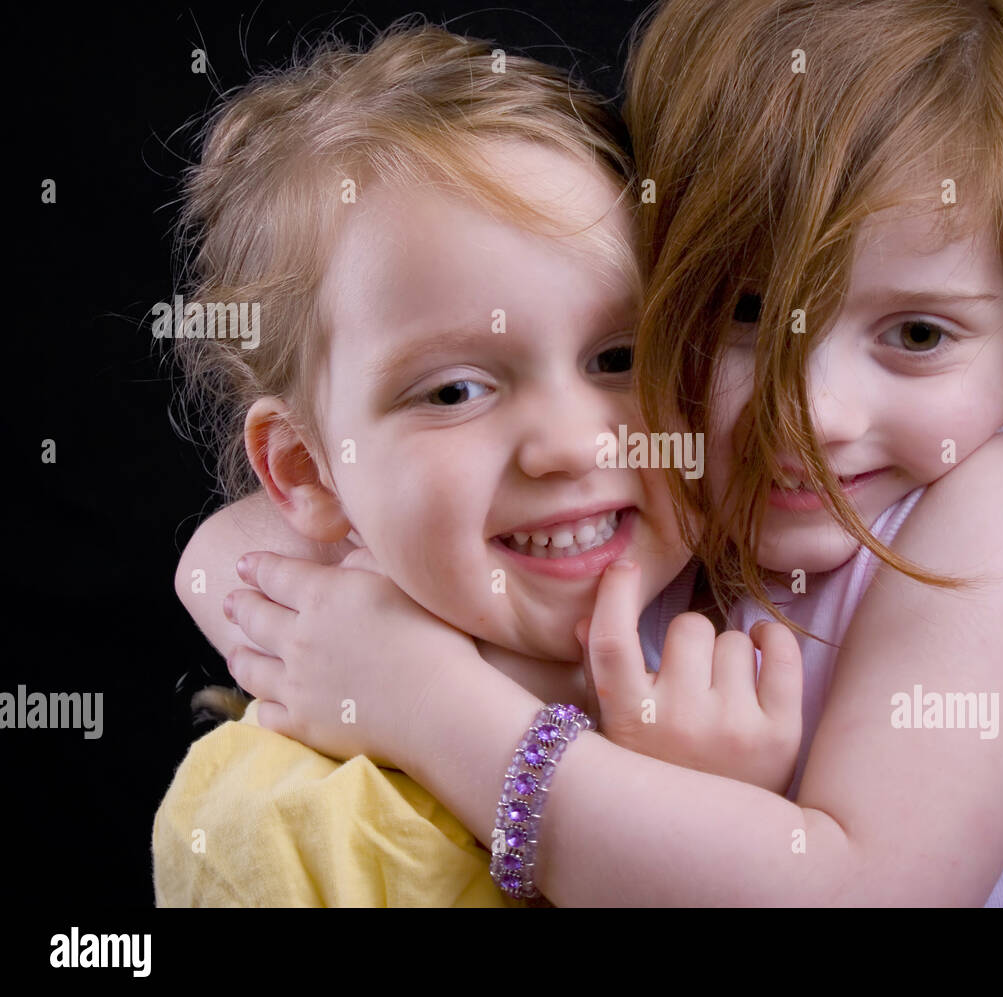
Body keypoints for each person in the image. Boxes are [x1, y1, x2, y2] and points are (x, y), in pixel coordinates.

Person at [207, 0, 1003, 905]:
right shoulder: (679, 482)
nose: (810, 412)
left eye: (919, 335)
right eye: (749, 310)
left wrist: (438, 707)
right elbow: (238, 544)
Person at [154, 20, 803, 907]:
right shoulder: (289, 827)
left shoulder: (776, 622)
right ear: (307, 470)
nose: (571, 444)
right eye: (455, 391)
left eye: (617, 358)